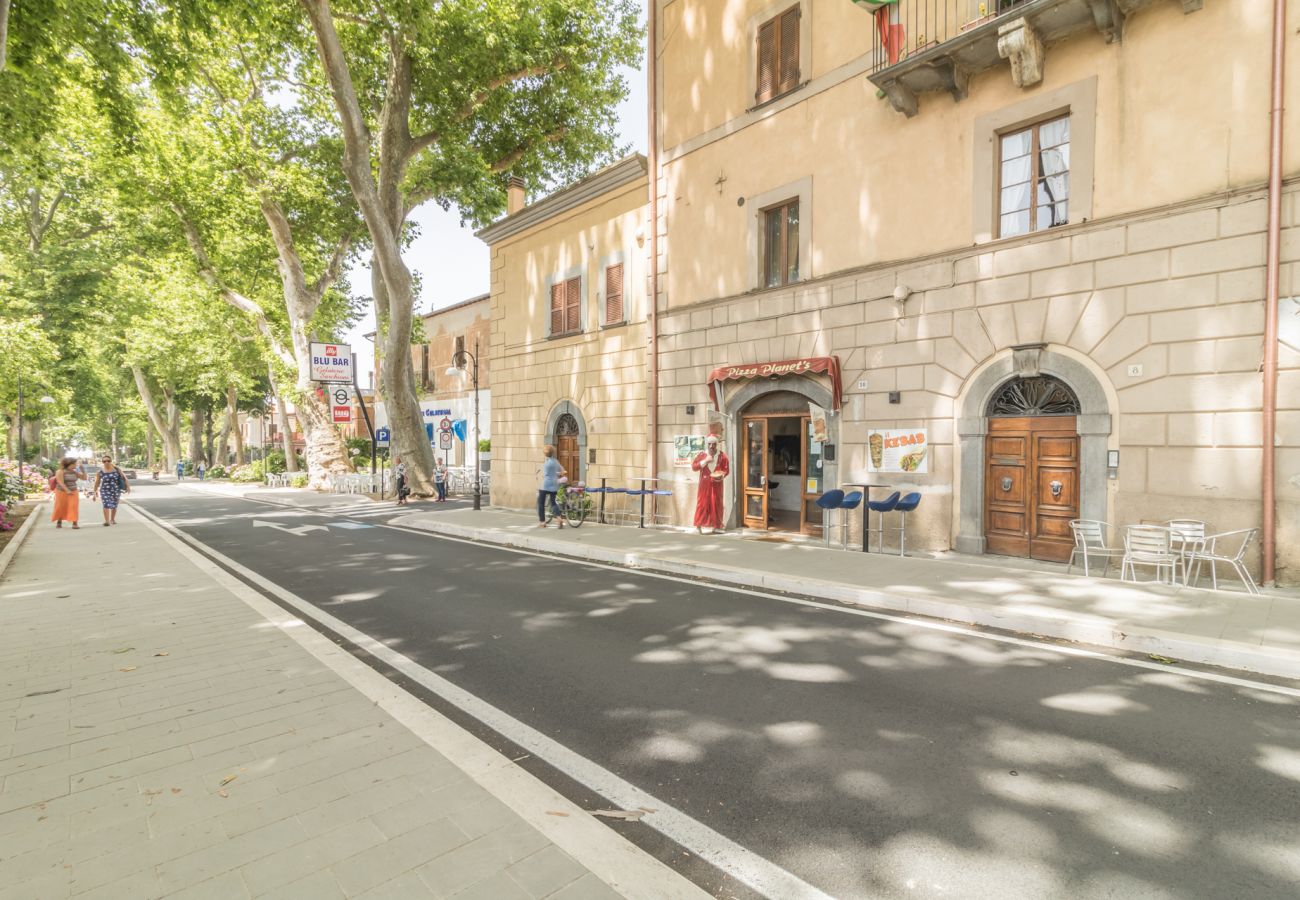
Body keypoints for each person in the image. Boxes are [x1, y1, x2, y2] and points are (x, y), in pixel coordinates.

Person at [692, 435, 729, 534]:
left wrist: (721, 475)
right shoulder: (702, 455)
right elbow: (694, 467)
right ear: (707, 444)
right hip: (704, 485)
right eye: (709, 444)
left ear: (716, 445)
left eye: (713, 444)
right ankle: (698, 526)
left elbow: (726, 470)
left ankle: (716, 526)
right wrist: (705, 461)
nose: (711, 446)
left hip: (717, 484)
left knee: (717, 504)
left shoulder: (722, 456)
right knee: (702, 504)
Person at [93, 455, 130, 526]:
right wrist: (94, 493)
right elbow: (97, 483)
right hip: (104, 490)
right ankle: (107, 521)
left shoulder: (116, 469)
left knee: (114, 505)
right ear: (102, 462)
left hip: (116, 489)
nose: (106, 462)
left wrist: (128, 487)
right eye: (104, 461)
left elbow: (124, 478)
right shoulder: (100, 472)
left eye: (108, 461)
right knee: (106, 504)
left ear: (111, 461)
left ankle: (112, 519)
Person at [536, 445, 566, 528]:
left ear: (545, 454)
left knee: (541, 503)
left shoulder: (545, 463)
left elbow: (541, 473)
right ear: (553, 453)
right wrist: (558, 474)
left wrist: (537, 475)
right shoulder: (556, 461)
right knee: (553, 502)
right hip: (554, 484)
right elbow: (562, 471)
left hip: (545, 485)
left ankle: (542, 522)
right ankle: (559, 518)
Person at [51, 458, 81, 529]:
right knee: (61, 506)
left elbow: (84, 478)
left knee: (74, 506)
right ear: (69, 464)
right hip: (61, 491)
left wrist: (82, 470)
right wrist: (67, 490)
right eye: (74, 463)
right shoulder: (60, 471)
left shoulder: (74, 472)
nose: (75, 465)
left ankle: (74, 523)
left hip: (73, 491)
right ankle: (59, 520)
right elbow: (60, 482)